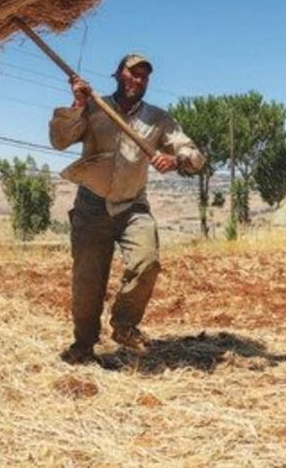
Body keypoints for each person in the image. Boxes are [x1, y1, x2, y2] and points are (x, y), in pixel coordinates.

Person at [49, 53, 205, 364]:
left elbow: (194, 155)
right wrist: (78, 105)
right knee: (87, 282)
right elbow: (59, 140)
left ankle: (124, 325)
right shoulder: (93, 106)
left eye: (144, 76)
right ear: (119, 74)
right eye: (132, 73)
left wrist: (176, 160)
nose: (138, 80)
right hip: (91, 206)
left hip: (133, 206)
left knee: (147, 262)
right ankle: (83, 346)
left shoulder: (158, 119)